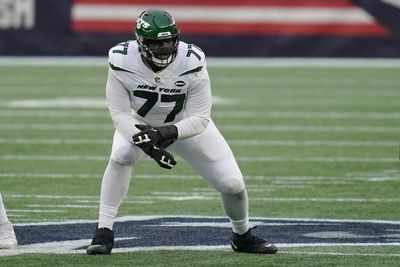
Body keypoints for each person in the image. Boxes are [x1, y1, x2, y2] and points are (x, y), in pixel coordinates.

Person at [86, 9, 277, 255]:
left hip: (185, 126)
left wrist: (163, 134)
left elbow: (200, 118)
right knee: (122, 154)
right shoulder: (121, 59)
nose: (164, 47)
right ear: (141, 42)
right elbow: (120, 115)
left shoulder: (192, 59)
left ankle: (242, 235)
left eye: (168, 40)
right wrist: (149, 145)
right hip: (139, 123)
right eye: (157, 42)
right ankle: (103, 232)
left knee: (232, 184)